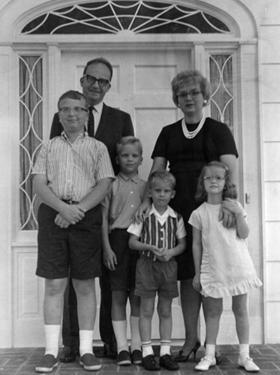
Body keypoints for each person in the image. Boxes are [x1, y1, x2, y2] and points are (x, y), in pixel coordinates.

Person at [137, 70, 239, 362]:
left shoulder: (219, 130)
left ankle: (211, 344)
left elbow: (231, 172)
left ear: (205, 97)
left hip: (212, 211)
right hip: (179, 212)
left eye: (195, 92)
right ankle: (191, 338)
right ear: (176, 100)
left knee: (212, 274)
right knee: (188, 276)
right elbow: (157, 171)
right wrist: (147, 200)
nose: (189, 98)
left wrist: (229, 207)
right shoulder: (168, 132)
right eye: (183, 94)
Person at [50, 57, 134, 362]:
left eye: (103, 81)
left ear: (109, 86)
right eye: (91, 79)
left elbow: (127, 159)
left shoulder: (121, 118)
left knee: (111, 278)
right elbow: (54, 162)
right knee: (76, 278)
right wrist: (64, 206)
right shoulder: (64, 115)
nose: (96, 85)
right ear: (83, 80)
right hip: (72, 208)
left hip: (108, 211)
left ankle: (113, 342)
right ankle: (72, 344)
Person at [33, 90, 114, 373]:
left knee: (84, 284)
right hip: (53, 216)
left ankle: (86, 350)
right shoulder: (48, 147)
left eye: (78, 109)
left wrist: (77, 210)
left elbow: (104, 183)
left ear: (86, 114)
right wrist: (62, 209)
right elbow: (40, 185)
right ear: (58, 115)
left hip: (85, 217)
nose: (72, 114)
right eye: (65, 109)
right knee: (55, 284)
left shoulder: (98, 147)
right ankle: (50, 351)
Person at [189, 161, 262, 372]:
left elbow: (244, 233)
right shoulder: (199, 213)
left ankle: (244, 356)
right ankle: (209, 355)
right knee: (212, 312)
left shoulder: (234, 207)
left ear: (225, 182)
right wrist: (197, 274)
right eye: (209, 177)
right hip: (214, 267)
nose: (213, 181)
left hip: (238, 266)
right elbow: (196, 244)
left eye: (218, 178)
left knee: (241, 310)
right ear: (202, 182)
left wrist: (238, 214)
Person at [128, 171, 186, 371]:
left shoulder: (175, 217)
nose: (162, 194)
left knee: (165, 310)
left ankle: (165, 352)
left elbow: (182, 244)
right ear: (150, 192)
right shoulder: (143, 215)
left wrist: (171, 252)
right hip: (146, 266)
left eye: (166, 191)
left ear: (173, 194)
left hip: (168, 268)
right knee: (146, 310)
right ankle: (146, 352)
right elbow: (132, 242)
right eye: (158, 190)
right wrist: (150, 247)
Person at [101, 136, 146, 366]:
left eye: (134, 155)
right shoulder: (111, 185)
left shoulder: (146, 187)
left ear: (141, 159)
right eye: (125, 155)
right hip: (117, 240)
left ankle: (137, 346)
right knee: (117, 294)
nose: (130, 159)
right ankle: (121, 347)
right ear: (117, 159)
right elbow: (103, 220)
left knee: (136, 295)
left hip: (139, 241)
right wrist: (107, 248)